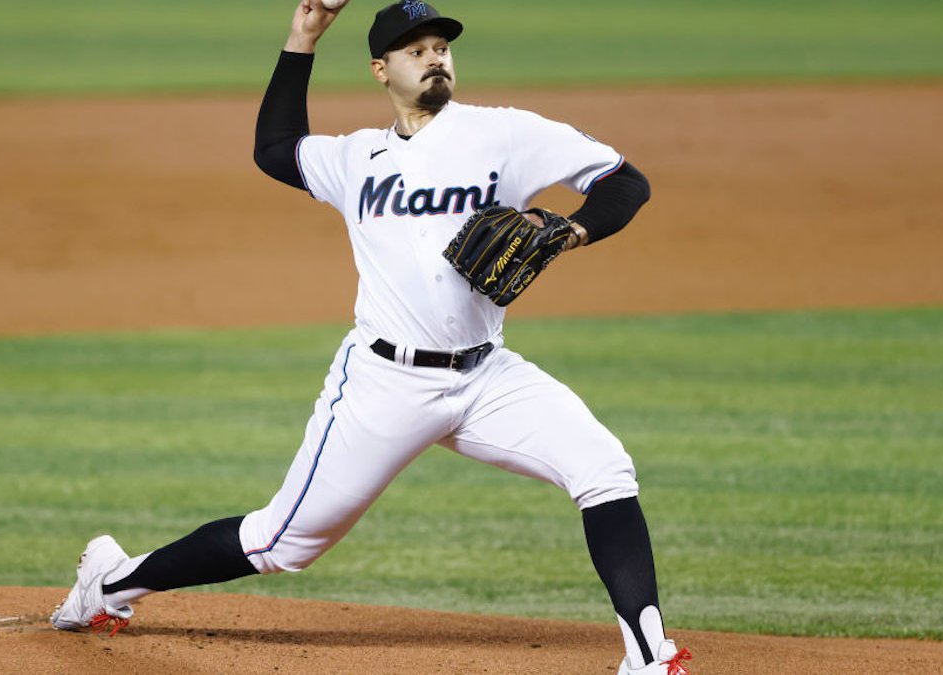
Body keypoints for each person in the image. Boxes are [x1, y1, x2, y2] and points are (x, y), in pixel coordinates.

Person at [51, 2, 690, 673]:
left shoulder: (505, 135)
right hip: (384, 384)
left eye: (442, 45)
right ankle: (113, 582)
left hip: (486, 376)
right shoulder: (357, 157)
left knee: (604, 467)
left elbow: (625, 181)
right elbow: (274, 151)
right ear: (381, 69)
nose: (435, 56)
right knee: (282, 541)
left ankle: (649, 659)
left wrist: (573, 229)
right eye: (416, 49)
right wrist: (303, 38)